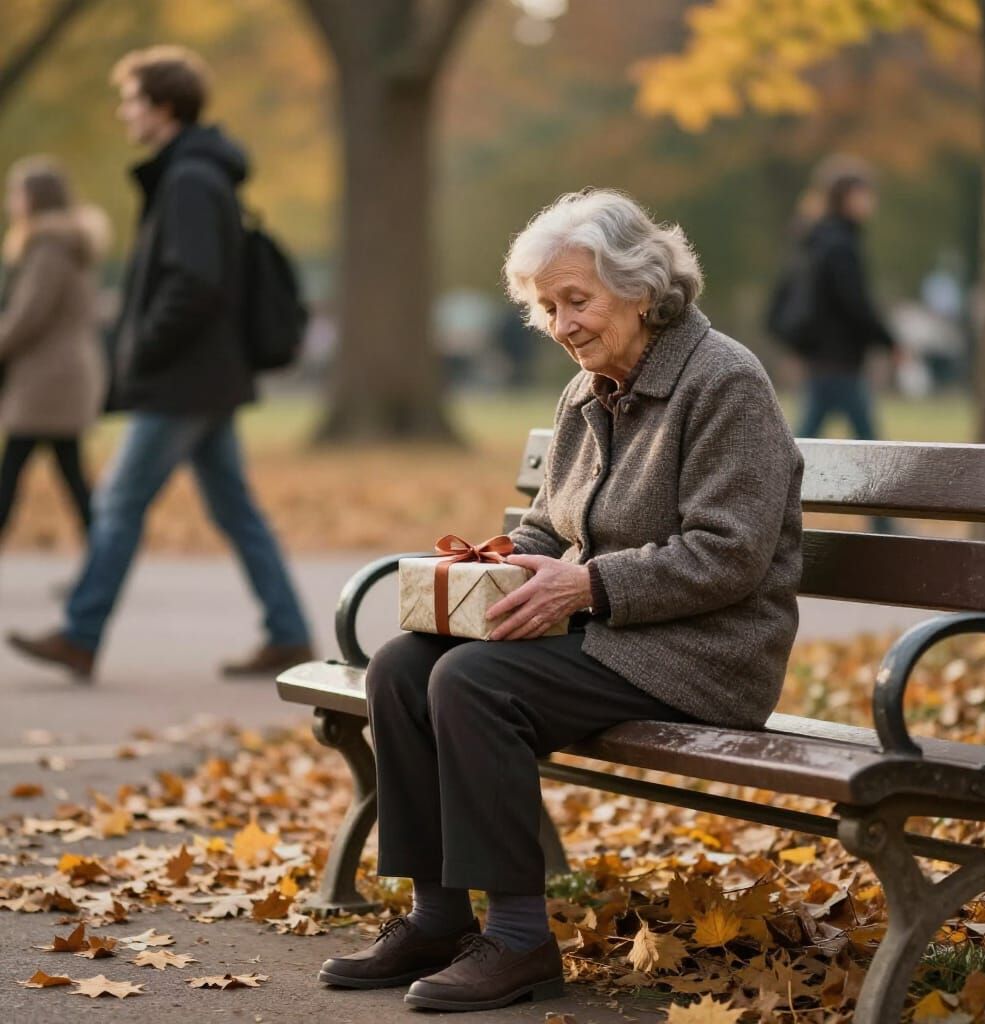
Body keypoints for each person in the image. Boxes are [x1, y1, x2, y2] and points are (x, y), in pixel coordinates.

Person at [317, 190, 804, 1011]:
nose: (562, 323)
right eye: (546, 307)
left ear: (643, 290)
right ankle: (436, 916)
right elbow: (549, 524)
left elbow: (729, 555)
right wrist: (501, 568)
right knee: (403, 665)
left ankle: (518, 940)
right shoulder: (587, 392)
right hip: (614, 630)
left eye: (577, 300)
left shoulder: (725, 383)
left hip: (707, 652)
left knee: (473, 682)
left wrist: (587, 585)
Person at [6, 46, 312, 681]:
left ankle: (81, 635)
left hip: (184, 376)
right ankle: (288, 633)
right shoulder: (193, 173)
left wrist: (143, 344)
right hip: (205, 373)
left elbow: (196, 284)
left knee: (119, 501)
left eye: (131, 100)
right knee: (234, 508)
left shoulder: (191, 179)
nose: (124, 113)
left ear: (162, 106)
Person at [0, 157, 108, 558]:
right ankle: (103, 560)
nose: (12, 202)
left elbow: (28, 316)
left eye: (17, 193)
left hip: (47, 379)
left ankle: (104, 560)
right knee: (70, 474)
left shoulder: (49, 248)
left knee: (13, 470)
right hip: (62, 376)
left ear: (35, 199)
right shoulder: (67, 244)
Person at [791, 156, 898, 442]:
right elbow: (855, 304)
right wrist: (889, 341)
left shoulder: (822, 238)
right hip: (838, 357)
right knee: (868, 443)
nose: (870, 202)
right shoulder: (839, 244)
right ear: (847, 198)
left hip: (826, 356)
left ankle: (779, 478)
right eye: (864, 195)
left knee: (810, 434)